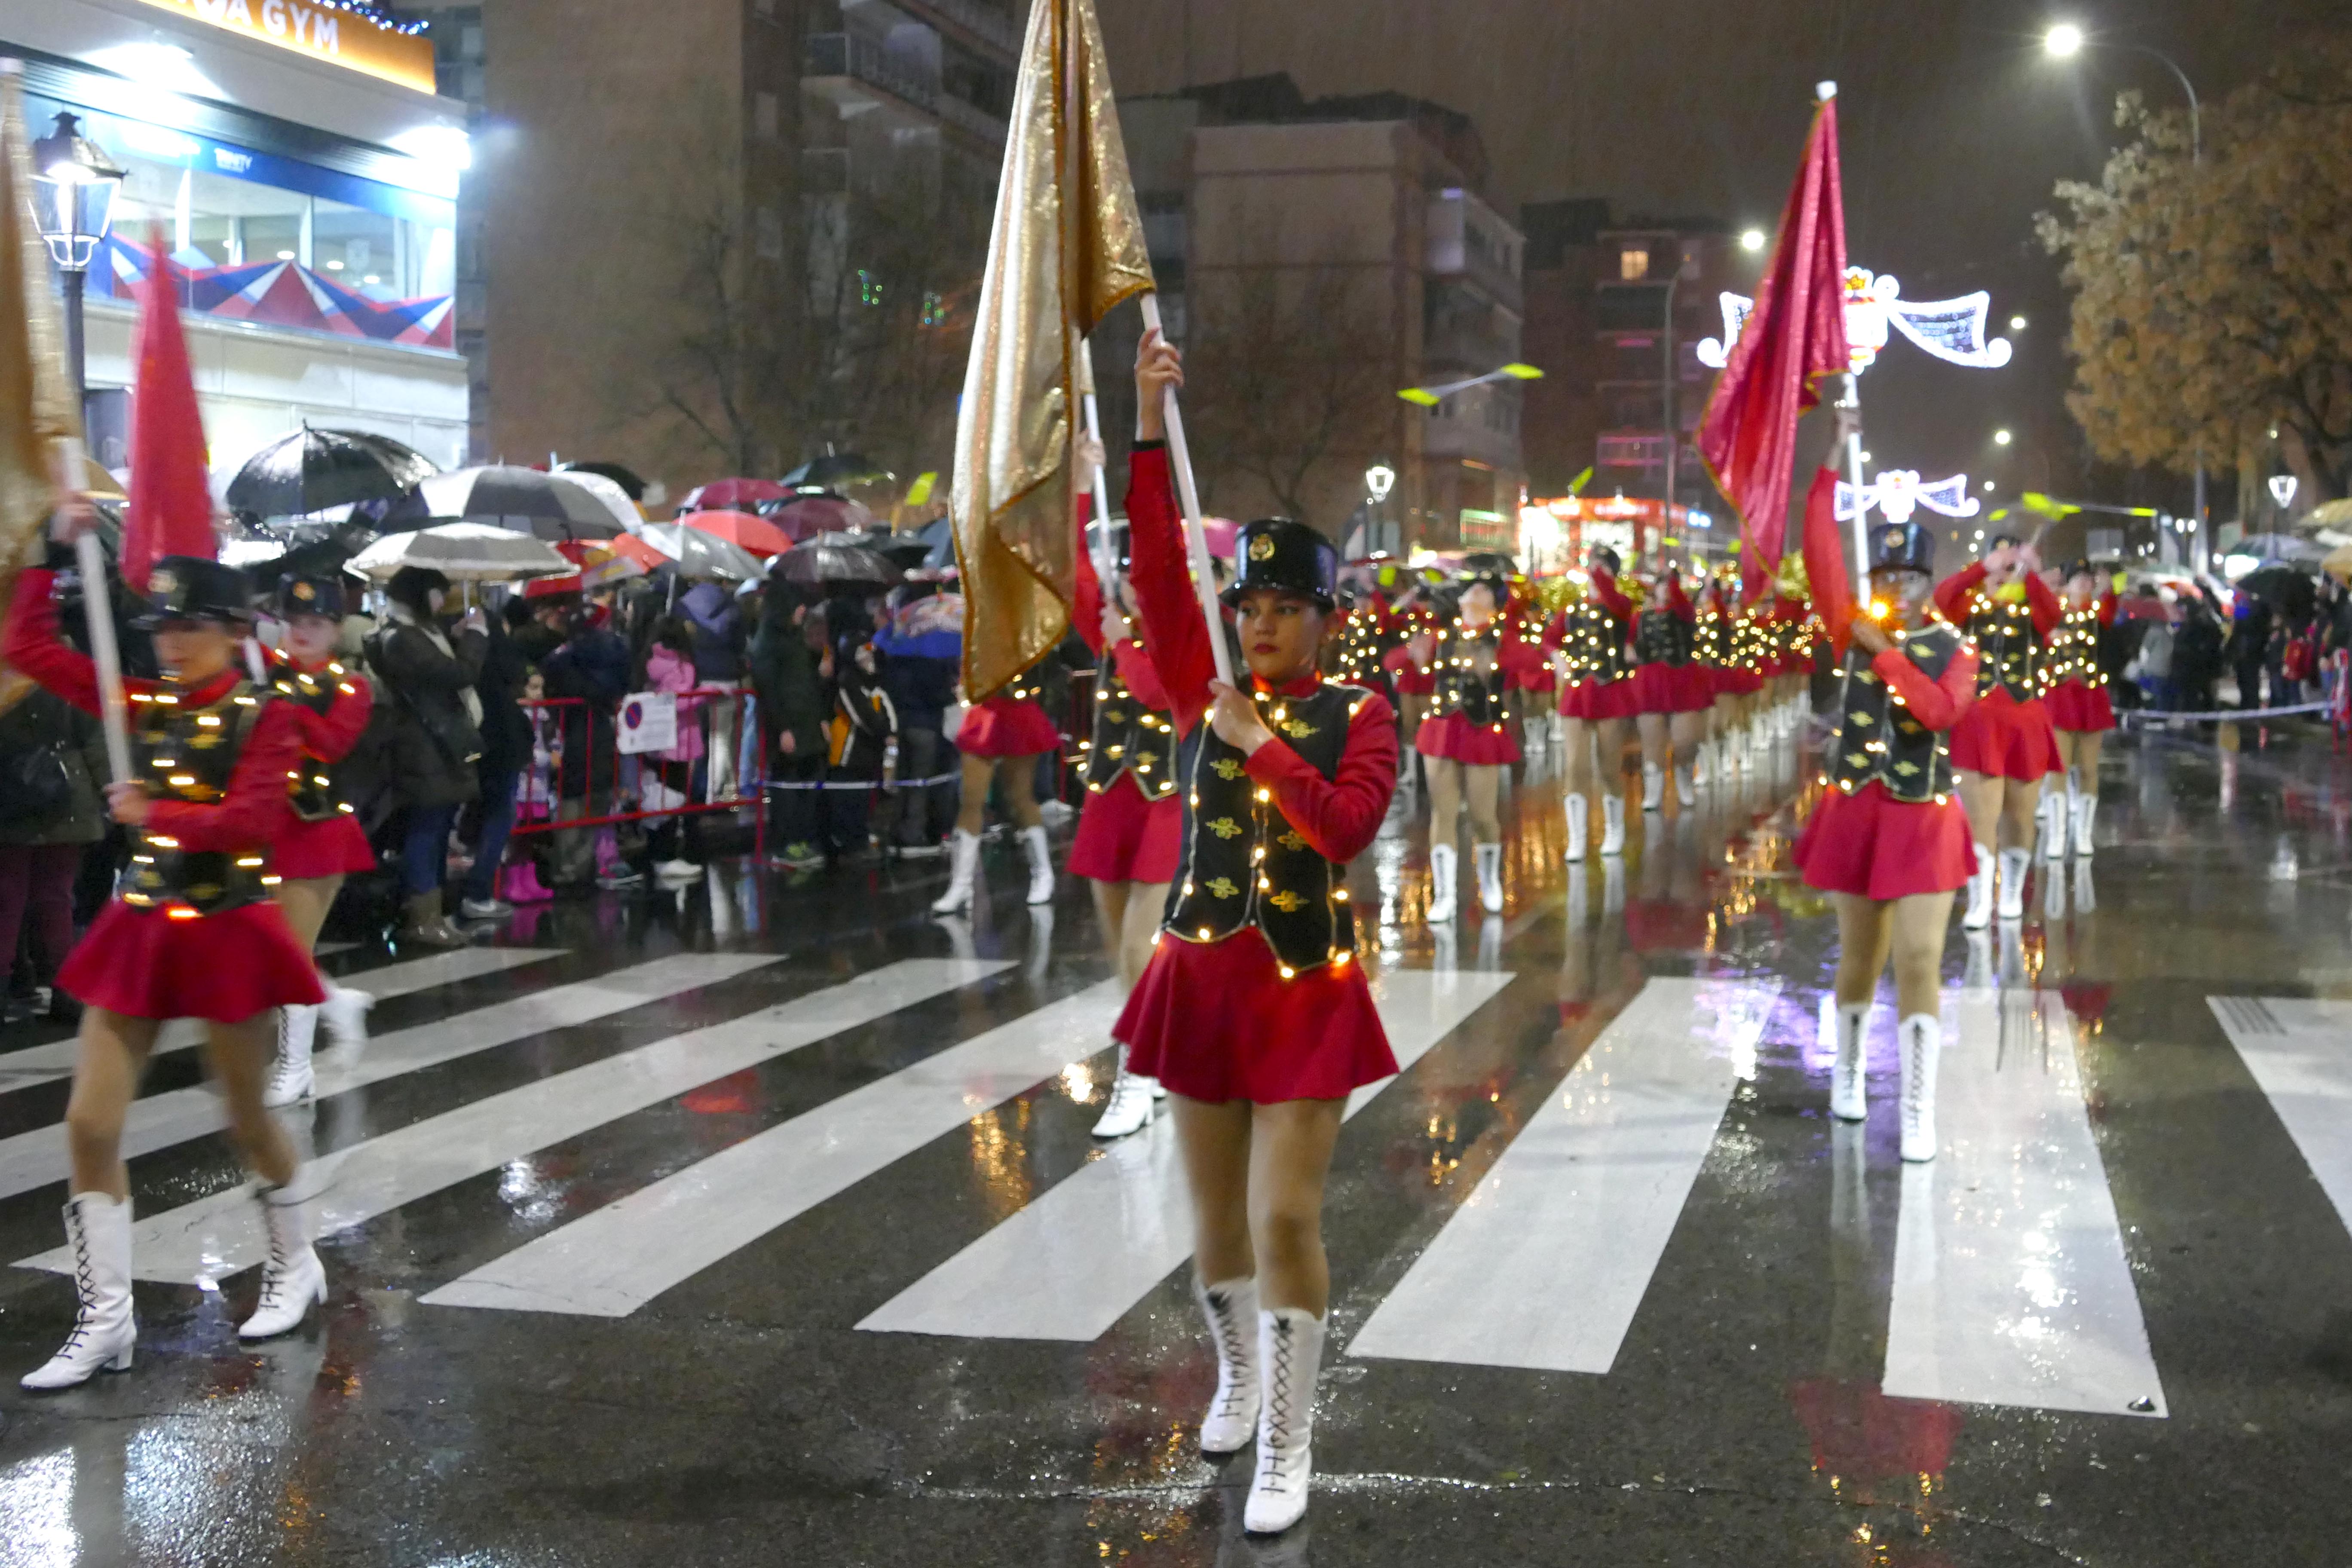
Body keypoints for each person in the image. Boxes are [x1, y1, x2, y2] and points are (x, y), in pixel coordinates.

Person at [1119, 329, 1399, 1534]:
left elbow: (1344, 832)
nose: (1268, 623)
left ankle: (1290, 1439)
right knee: (1216, 1226)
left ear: (1325, 621)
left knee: (1288, 1217)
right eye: (1254, 605)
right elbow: (1152, 561)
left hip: (1301, 987)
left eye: (1290, 608)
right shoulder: (1200, 687)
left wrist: (1260, 745)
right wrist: (1144, 420)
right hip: (1199, 980)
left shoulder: (1361, 713)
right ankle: (1237, 1372)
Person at [6, 543, 333, 1389]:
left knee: (246, 1119)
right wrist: (47, 554)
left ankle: (296, 1265)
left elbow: (254, 821)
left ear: (232, 630)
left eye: (192, 626)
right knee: (89, 1122)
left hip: (228, 926)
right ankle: (107, 1321)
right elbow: (29, 652)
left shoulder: (269, 715)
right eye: (162, 627)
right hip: (145, 925)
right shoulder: (142, 702)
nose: (172, 643)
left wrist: (158, 812)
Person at [1792, 511, 1979, 1164]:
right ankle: (1848, 1073)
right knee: (1860, 959)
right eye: (1884, 573)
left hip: (1923, 817)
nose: (1896, 584)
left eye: (1909, 574)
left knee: (1921, 958)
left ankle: (1919, 1107)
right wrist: (1826, 485)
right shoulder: (1851, 629)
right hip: (1856, 814)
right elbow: (1821, 561)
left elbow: (1940, 711)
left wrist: (1887, 654)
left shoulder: (1957, 649)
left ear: (1930, 581)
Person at [257, 573, 379, 1107]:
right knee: (265, 949)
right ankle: (336, 1003)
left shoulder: (351, 687)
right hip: (254, 829)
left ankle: (297, 1067)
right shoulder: (260, 668)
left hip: (315, 830)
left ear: (335, 630)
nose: (303, 632)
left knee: (288, 955)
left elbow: (332, 743)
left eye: (316, 623)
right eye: (294, 621)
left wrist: (281, 701)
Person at [1070, 568, 1179, 1138]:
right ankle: (1155, 1050)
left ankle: (1135, 1076)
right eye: (1132, 574)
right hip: (1109, 799)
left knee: (1141, 943)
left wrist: (1119, 639)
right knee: (1119, 948)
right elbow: (1076, 578)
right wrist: (1080, 483)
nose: (1136, 584)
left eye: (1146, 574)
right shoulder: (1114, 623)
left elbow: (1156, 691)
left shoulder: (1188, 635)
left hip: (1162, 802)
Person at [1393, 573, 1540, 920]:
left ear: (1494, 603)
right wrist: (1413, 655)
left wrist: (1508, 654)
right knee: (1443, 814)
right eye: (1472, 586)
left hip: (1481, 731)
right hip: (1442, 728)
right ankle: (1444, 895)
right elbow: (1396, 661)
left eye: (1485, 588)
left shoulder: (1502, 639)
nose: (1475, 590)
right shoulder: (1441, 635)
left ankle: (1490, 879)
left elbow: (1532, 663)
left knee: (1482, 815)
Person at [1934, 536, 2061, 927]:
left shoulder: (2033, 610)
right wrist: (1981, 569)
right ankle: (1978, 899)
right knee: (1979, 819)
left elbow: (2053, 614)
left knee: (2020, 818)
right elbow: (1942, 599)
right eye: (1999, 562)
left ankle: (2011, 894)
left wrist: (2033, 573)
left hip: (2025, 722)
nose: (2004, 570)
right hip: (1977, 723)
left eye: (2011, 564)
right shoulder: (1969, 608)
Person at [367, 566, 486, 942]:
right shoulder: (402, 637)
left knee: (434, 827)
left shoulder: (407, 634)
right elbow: (458, 674)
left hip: (432, 745)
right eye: (437, 594)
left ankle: (432, 913)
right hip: (425, 746)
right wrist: (477, 638)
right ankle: (422, 918)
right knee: (427, 829)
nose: (440, 603)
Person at [0, 686, 108, 1027]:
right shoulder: (66, 671)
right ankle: (67, 993)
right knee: (55, 900)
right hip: (66, 797)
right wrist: (111, 793)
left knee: (7, 901)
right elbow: (96, 740)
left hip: (9, 798)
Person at [931, 658, 1060, 914]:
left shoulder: (1023, 627)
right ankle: (961, 886)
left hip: (1018, 708)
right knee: (971, 801)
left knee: (1020, 799)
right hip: (984, 712)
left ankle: (1043, 874)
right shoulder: (976, 623)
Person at [1543, 545, 1636, 861]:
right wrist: (1558, 659)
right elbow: (1551, 638)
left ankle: (1614, 828)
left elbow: (1614, 599)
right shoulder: (1572, 610)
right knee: (1575, 766)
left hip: (1610, 690)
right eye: (1592, 567)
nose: (1594, 573)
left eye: (1602, 567)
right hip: (1578, 691)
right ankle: (1578, 838)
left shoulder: (1621, 604)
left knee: (1609, 767)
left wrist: (1598, 568)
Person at [539, 606, 633, 890]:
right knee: (596, 797)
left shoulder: (562, 658)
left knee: (573, 797)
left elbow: (555, 685)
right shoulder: (614, 654)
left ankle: (569, 868)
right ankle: (582, 864)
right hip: (600, 729)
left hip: (573, 731)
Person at [872, 578, 963, 858]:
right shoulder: (931, 649)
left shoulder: (899, 639)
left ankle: (902, 832)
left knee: (908, 779)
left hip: (904, 720)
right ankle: (916, 835)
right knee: (924, 781)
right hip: (926, 721)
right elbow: (934, 691)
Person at [456, 600, 533, 919]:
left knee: (481, 811)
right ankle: (479, 889)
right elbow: (517, 675)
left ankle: (472, 881)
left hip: (474, 742)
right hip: (502, 743)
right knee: (500, 814)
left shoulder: (462, 654)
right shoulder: (499, 657)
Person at [749, 585, 830, 871]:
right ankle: (787, 843)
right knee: (788, 786)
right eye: (797, 605)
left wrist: (821, 718)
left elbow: (807, 683)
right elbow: (770, 690)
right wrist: (782, 729)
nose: (802, 611)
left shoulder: (794, 639)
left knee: (809, 782)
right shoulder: (768, 644)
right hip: (789, 726)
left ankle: (803, 839)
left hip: (807, 723)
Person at [2043, 563, 2117, 860]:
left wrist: (2109, 588)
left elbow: (2111, 610)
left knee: (2088, 768)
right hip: (2060, 694)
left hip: (2090, 695)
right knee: (2058, 767)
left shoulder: (2097, 612)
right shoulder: (2054, 611)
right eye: (2079, 579)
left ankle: (2084, 833)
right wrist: (2051, 636)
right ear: (2067, 584)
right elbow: (2036, 628)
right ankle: (2057, 835)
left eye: (2088, 579)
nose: (2085, 583)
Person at [1626, 558, 1712, 811]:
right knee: (1652, 742)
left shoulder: (1684, 613)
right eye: (1661, 585)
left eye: (1669, 585)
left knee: (1685, 741)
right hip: (1650, 682)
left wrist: (1672, 579)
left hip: (1682, 680)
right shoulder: (1641, 617)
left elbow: (1685, 608)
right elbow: (1629, 640)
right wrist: (1629, 649)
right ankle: (1654, 793)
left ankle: (1685, 781)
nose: (1665, 589)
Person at [642, 616, 705, 881]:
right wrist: (705, 693)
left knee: (660, 798)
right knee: (670, 799)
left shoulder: (651, 663)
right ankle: (665, 857)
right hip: (675, 741)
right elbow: (675, 703)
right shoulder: (677, 667)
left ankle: (660, 853)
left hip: (659, 741)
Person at [680, 576, 745, 800]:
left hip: (697, 679)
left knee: (698, 739)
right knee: (721, 738)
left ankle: (697, 791)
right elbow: (740, 645)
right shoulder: (732, 606)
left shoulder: (686, 604)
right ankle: (713, 793)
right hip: (726, 679)